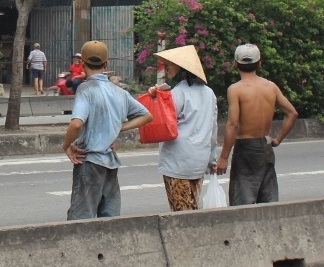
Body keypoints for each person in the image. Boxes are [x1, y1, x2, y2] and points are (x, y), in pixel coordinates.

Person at [61, 40, 153, 220]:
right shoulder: (120, 92)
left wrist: (66, 145)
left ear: (83, 63)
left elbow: (77, 124)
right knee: (110, 219)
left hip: (89, 161)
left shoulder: (85, 89)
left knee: (81, 219)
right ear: (106, 64)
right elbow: (147, 116)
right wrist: (117, 129)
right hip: (110, 163)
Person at [215, 43, 299, 205]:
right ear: (259, 64)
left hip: (245, 148)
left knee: (243, 201)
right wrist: (278, 139)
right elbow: (292, 113)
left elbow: (233, 124)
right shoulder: (271, 87)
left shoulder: (235, 89)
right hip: (266, 145)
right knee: (268, 200)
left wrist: (224, 157)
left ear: (235, 64)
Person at [147, 45, 218, 211]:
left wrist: (157, 99)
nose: (168, 68)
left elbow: (162, 124)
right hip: (199, 161)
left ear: (183, 69)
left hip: (178, 162)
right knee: (191, 208)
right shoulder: (209, 93)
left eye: (172, 65)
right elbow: (213, 130)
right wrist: (212, 160)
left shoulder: (177, 93)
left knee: (182, 213)